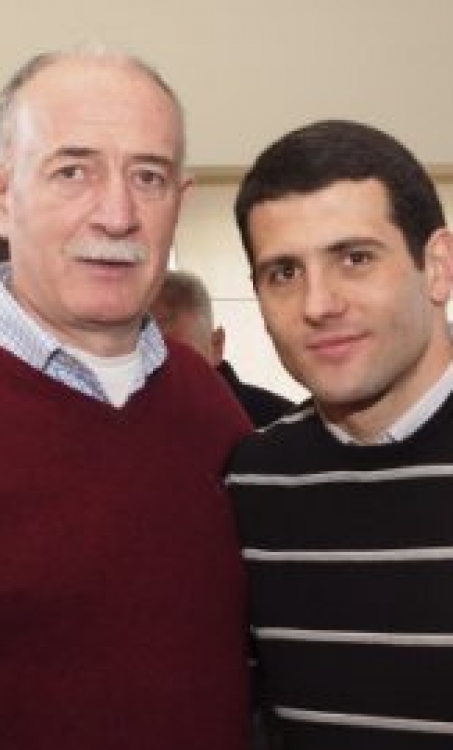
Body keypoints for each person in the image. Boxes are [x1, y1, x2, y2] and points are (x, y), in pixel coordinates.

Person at [0, 47, 252, 750]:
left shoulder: (210, 407)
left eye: (148, 177)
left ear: (179, 204)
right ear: (0, 196)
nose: (117, 215)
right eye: (72, 171)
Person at [225, 119, 453, 748]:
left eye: (355, 259)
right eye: (284, 273)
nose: (318, 305)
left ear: (437, 267)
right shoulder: (254, 482)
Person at [151, 269, 294, 426]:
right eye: (145, 359)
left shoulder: (283, 427)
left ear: (216, 345)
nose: (163, 376)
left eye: (184, 359)